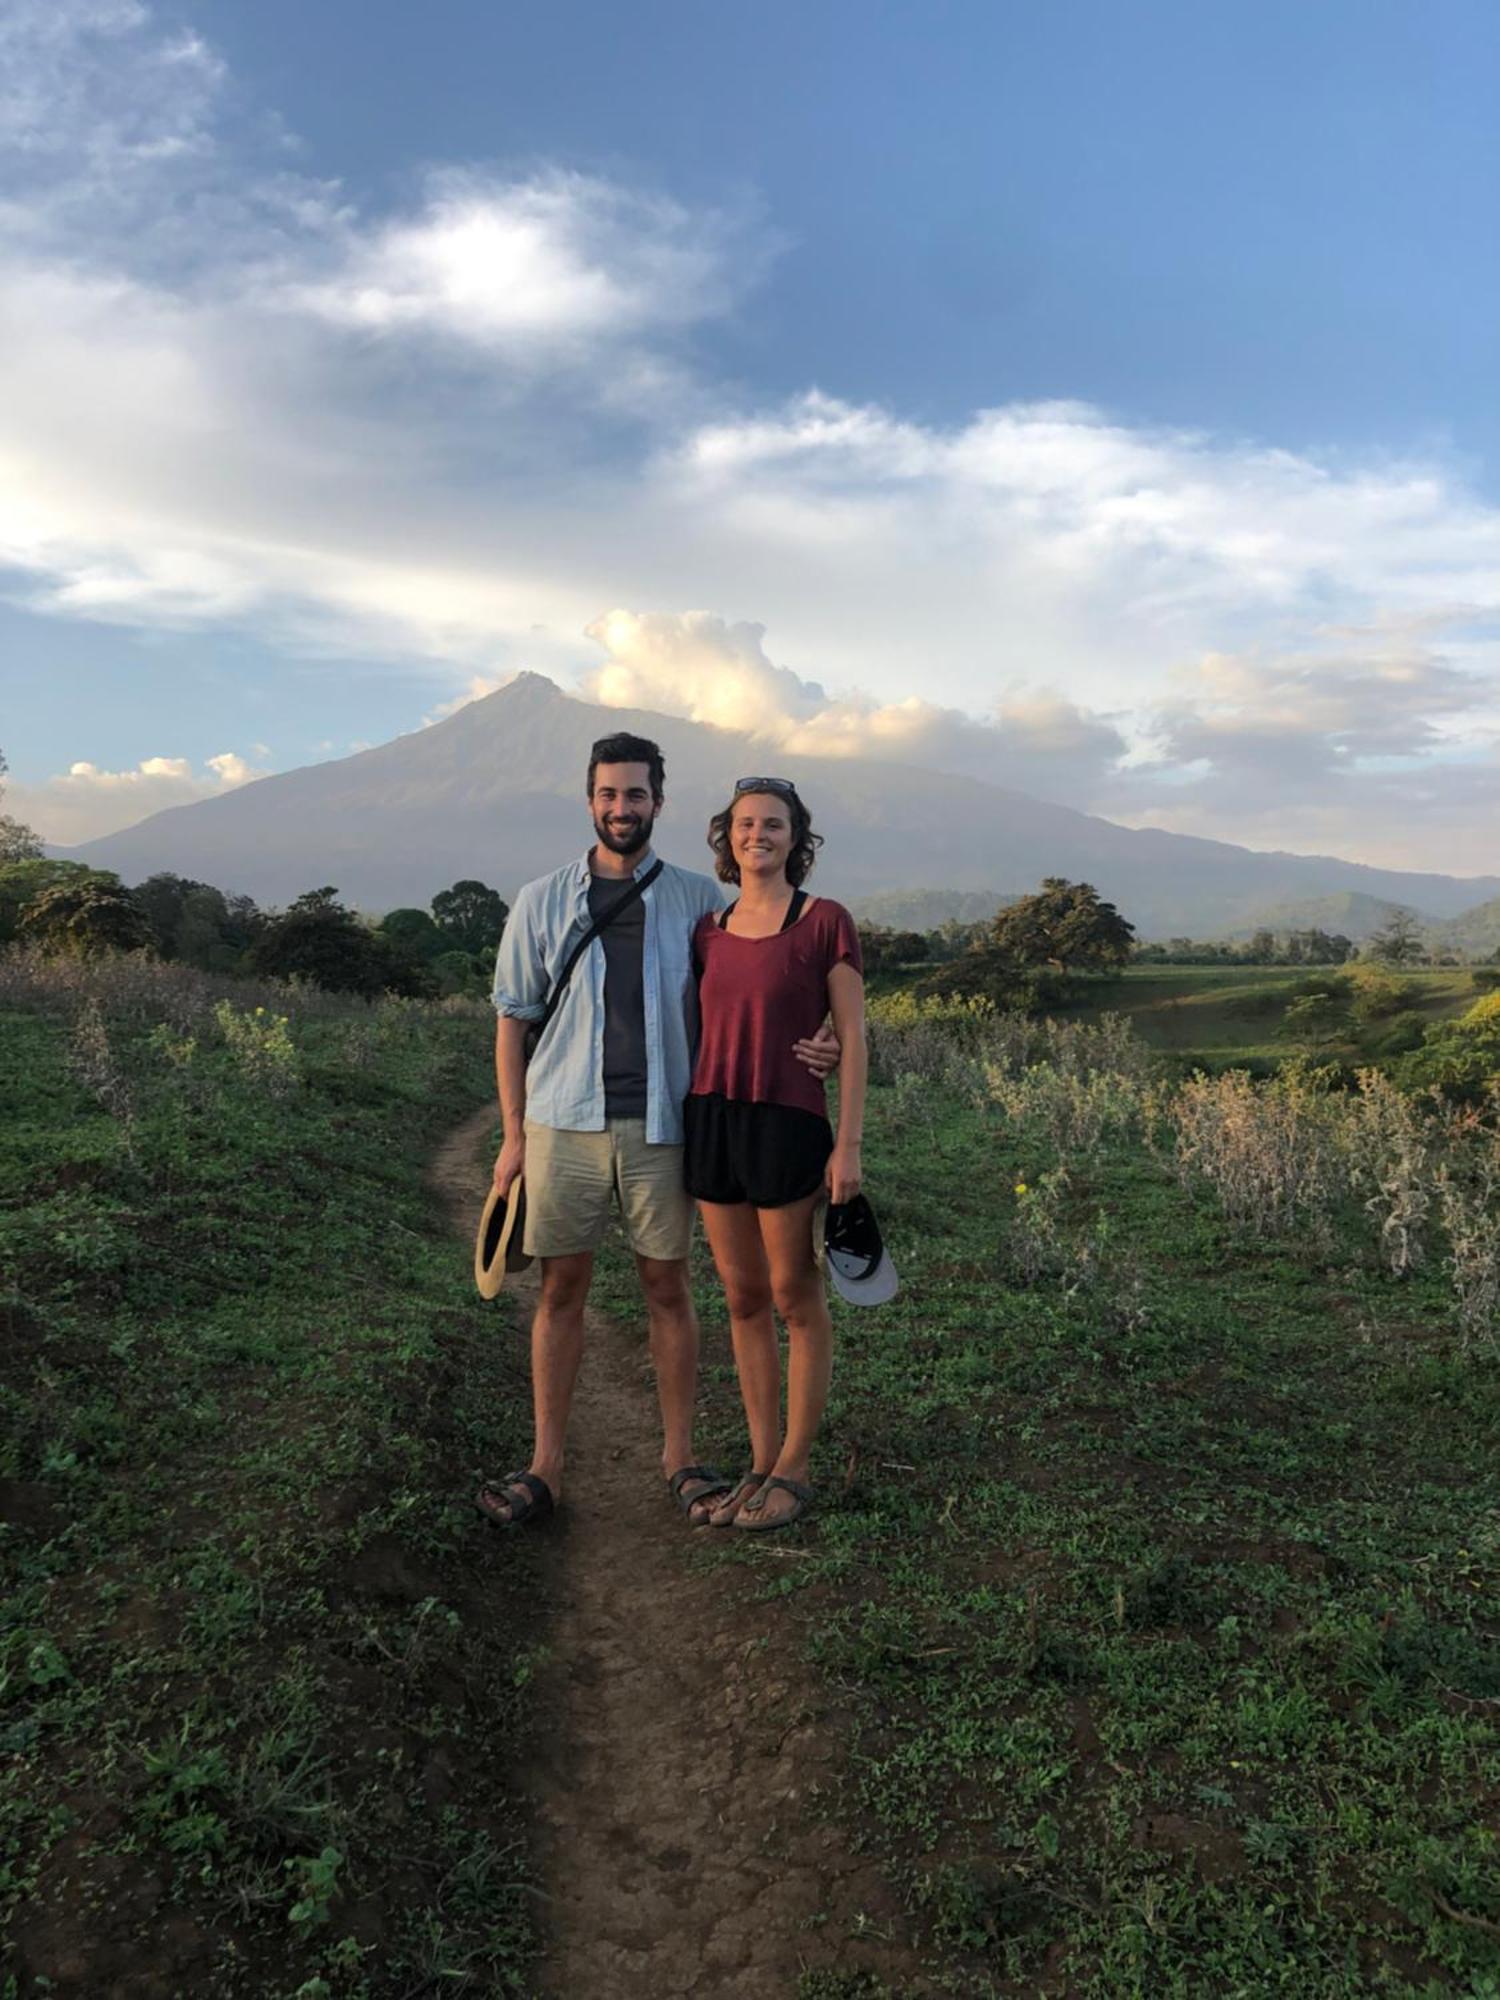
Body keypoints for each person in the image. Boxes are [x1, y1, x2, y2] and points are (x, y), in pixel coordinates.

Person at [477, 734, 836, 1528]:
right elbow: (512, 1022)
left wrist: (829, 1038)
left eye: (636, 795)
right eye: (608, 795)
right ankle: (546, 1465)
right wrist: (511, 1139)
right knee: (560, 1290)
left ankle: (680, 1460)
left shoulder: (697, 902)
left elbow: (763, 984)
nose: (621, 808)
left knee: (667, 1289)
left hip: (664, 1126)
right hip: (562, 1123)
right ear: (589, 800)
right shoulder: (540, 900)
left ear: (658, 805)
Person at [684, 778, 868, 1530]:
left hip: (789, 1122)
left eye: (774, 824)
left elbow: (852, 1036)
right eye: (745, 823)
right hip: (713, 1119)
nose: (757, 833)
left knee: (794, 1294)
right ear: (727, 836)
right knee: (741, 1296)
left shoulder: (824, 922)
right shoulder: (708, 929)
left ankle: (796, 1465)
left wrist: (847, 1145)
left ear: (798, 838)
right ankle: (759, 1463)